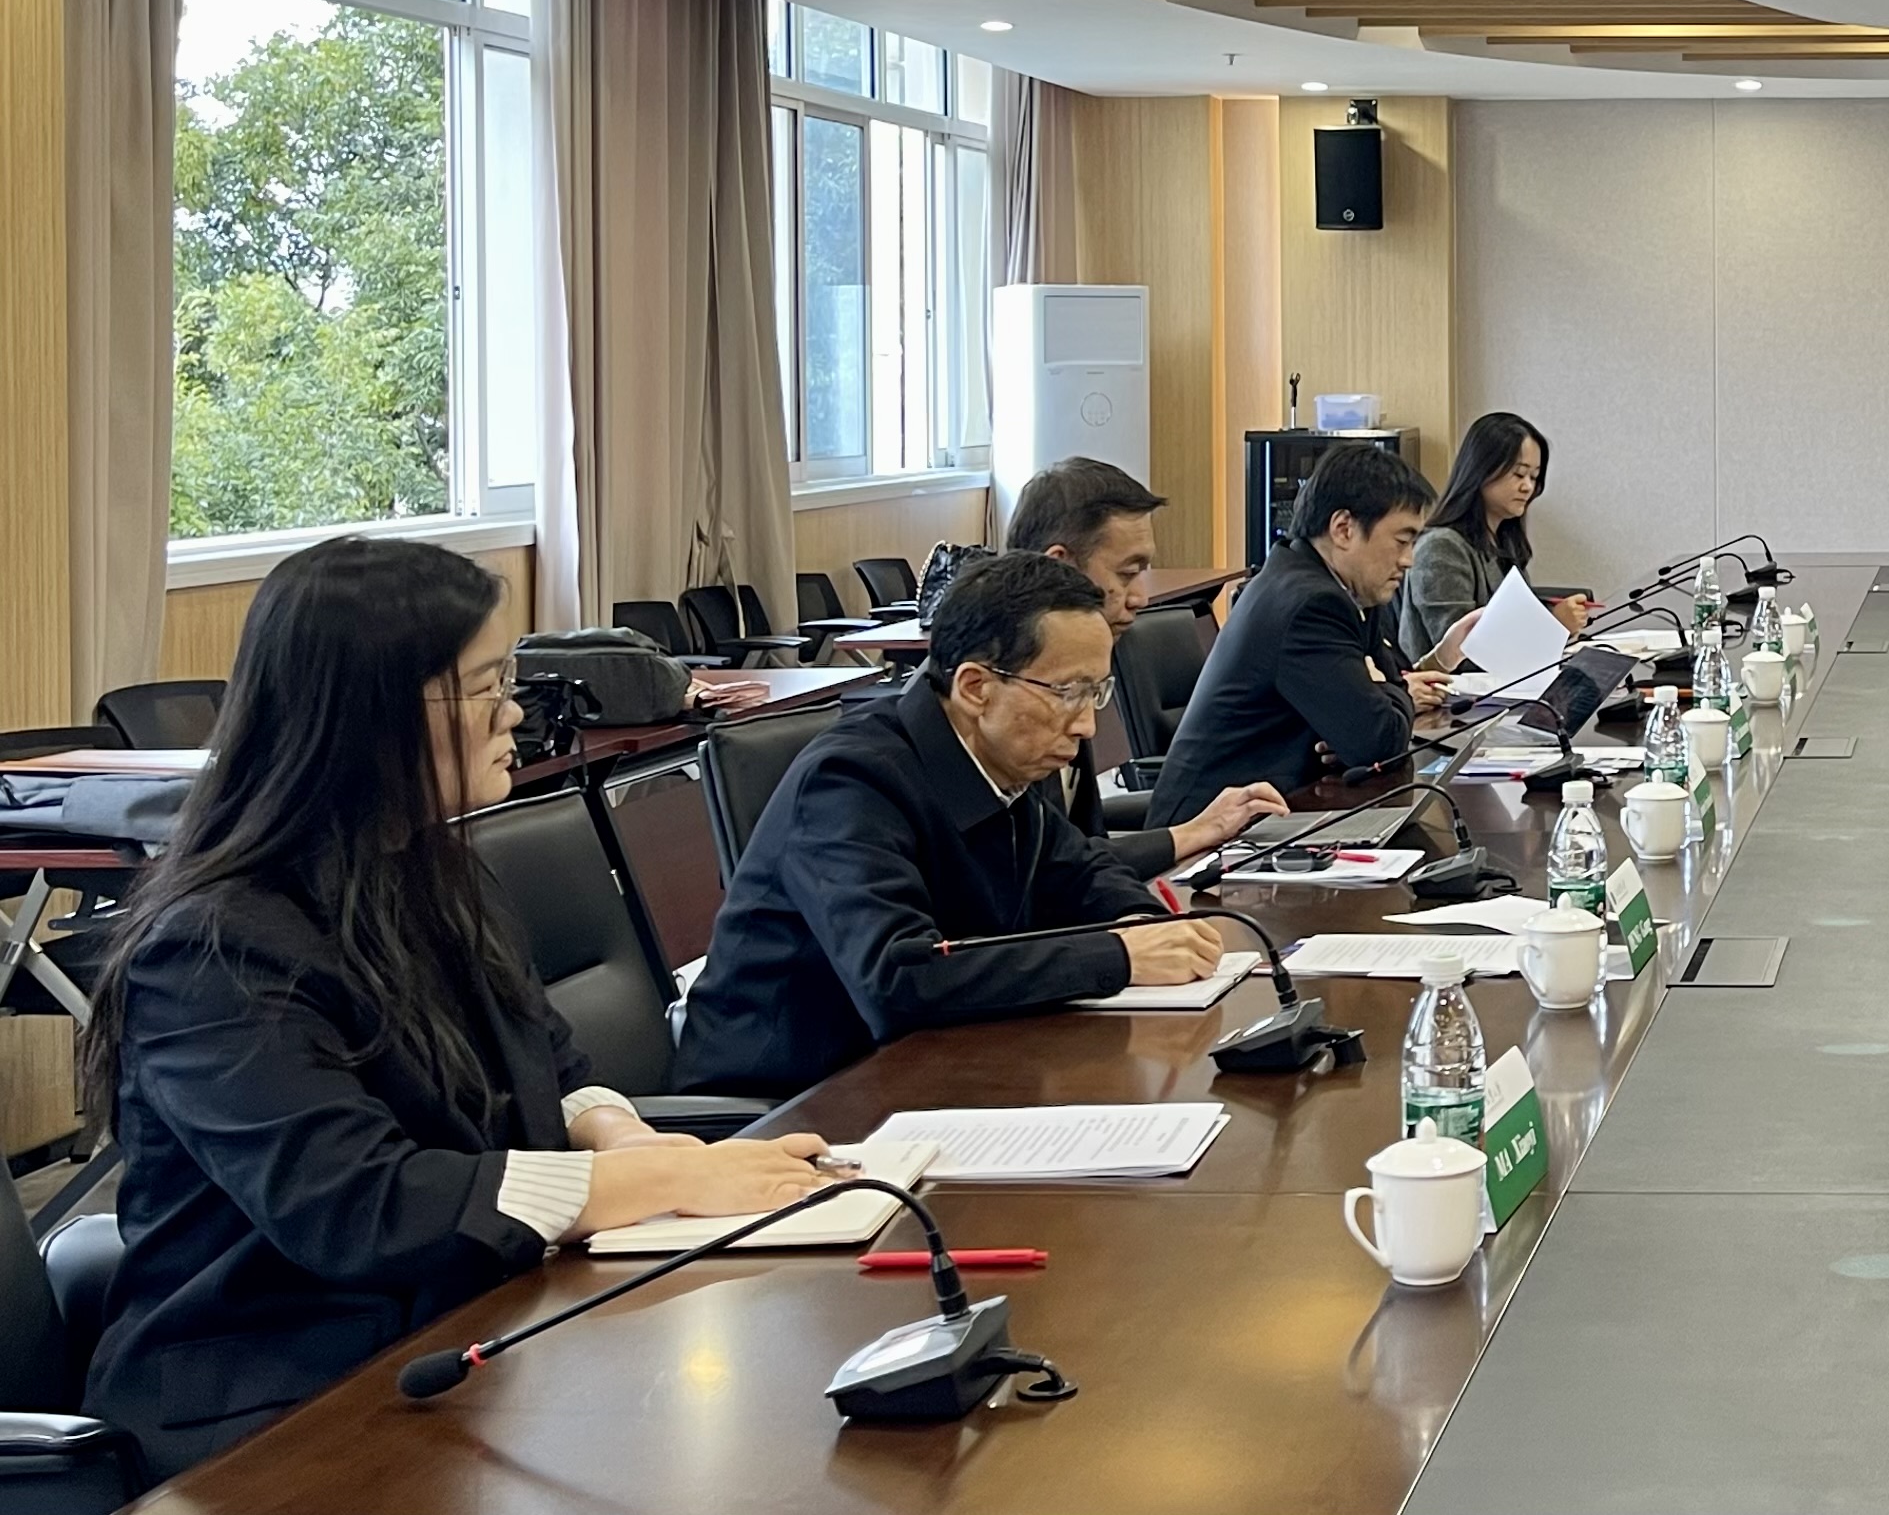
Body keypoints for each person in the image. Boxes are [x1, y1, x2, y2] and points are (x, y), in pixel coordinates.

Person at [83, 539, 835, 1475]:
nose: (514, 712)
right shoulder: (212, 948)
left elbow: (550, 1067)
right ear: (373, 713)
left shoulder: (436, 872)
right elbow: (359, 1207)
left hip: (463, 1333)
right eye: (486, 687)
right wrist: (644, 1186)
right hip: (273, 1406)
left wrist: (626, 1138)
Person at [675, 554, 1250, 1096]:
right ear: (976, 688)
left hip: (935, 1070)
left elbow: (1080, 867)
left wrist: (1140, 923)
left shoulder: (996, 756)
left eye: (1096, 692)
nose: (1086, 727)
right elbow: (898, 977)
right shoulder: (851, 782)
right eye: (1068, 693)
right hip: (792, 1104)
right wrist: (1117, 956)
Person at [1005, 452, 1284, 878]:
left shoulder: (1071, 669)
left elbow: (1079, 849)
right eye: (1126, 574)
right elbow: (1044, 872)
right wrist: (1192, 834)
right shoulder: (1012, 692)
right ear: (1060, 566)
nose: (1140, 597)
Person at [1149, 440, 1443, 811]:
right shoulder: (1310, 604)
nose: (1409, 560)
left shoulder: (1342, 588)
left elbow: (1388, 697)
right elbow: (1379, 742)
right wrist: (1386, 700)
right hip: (1218, 826)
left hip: (1284, 804)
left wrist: (1375, 698)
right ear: (1343, 529)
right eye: (1402, 541)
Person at [1400, 411, 1594, 667]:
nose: (1528, 487)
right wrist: (1554, 627)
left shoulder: (1503, 541)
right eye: (1519, 474)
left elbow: (1516, 628)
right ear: (1482, 470)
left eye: (1534, 477)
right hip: (1454, 689)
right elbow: (1462, 655)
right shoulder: (1440, 547)